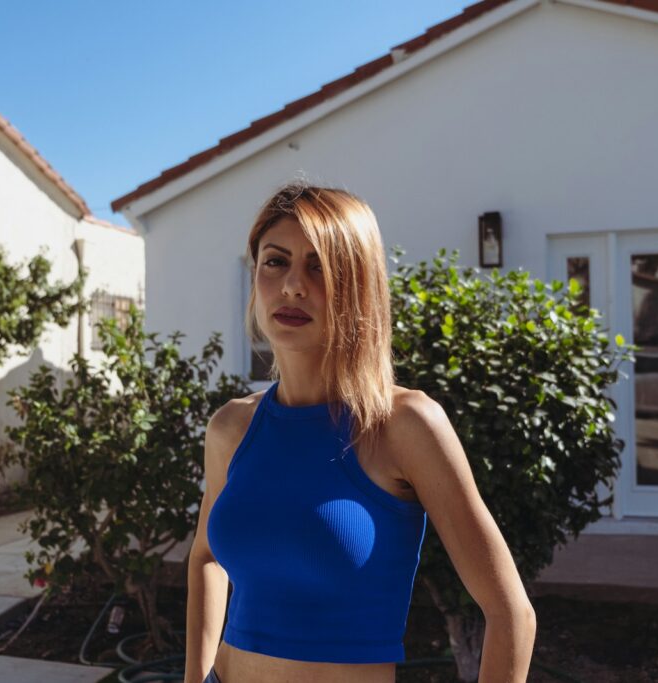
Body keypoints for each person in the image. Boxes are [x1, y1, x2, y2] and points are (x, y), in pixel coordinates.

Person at [184, 183, 536, 683]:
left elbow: (511, 613)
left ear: (357, 287)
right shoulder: (231, 428)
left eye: (319, 267)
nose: (292, 287)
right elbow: (205, 558)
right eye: (275, 262)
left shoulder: (404, 425)